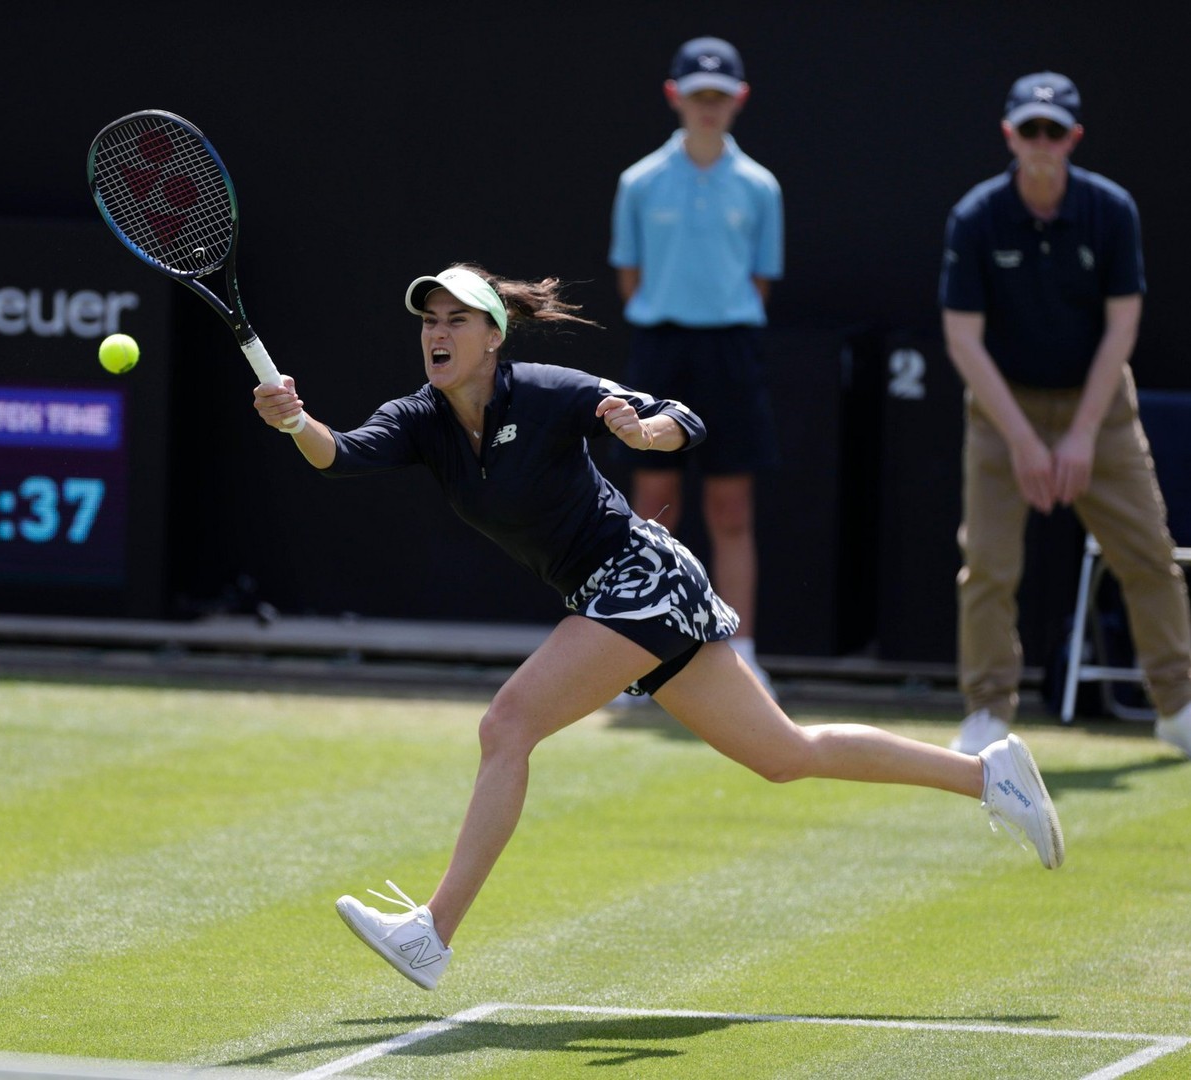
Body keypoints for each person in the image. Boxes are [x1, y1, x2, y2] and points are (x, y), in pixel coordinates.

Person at [253, 262, 1063, 992]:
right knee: (784, 756)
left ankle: (432, 933)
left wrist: (645, 432)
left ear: (493, 338)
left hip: (640, 576)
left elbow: (682, 417)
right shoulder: (420, 419)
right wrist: (294, 421)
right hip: (607, 595)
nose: (437, 333)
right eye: (429, 320)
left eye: (456, 319)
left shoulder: (545, 390)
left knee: (507, 725)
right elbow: (337, 454)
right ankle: (989, 775)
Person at [939, 71, 1191, 757]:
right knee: (988, 565)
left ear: (1073, 137)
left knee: (1148, 555)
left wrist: (1079, 435)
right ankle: (988, 710)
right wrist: (1022, 438)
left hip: (1100, 406)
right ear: (1010, 136)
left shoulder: (1111, 211)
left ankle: (1179, 704)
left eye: (1054, 131)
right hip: (1002, 406)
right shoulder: (977, 216)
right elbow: (962, 337)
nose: (1042, 143)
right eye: (1030, 130)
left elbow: (1121, 328)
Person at [608, 36, 782, 697]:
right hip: (660, 351)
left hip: (731, 352)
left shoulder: (760, 187)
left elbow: (760, 280)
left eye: (720, 96)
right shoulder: (640, 182)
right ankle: (631, 649)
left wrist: (715, 316)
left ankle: (742, 651)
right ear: (675, 98)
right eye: (697, 95)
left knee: (731, 507)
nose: (708, 107)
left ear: (738, 101)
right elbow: (631, 277)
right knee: (652, 504)